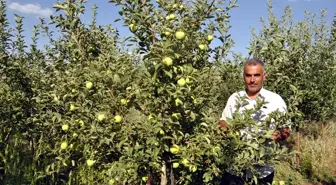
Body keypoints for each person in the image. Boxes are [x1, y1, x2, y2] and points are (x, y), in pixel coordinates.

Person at [218, 59, 291, 185]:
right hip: (234, 168)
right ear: (243, 77)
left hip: (262, 170)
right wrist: (228, 131)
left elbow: (286, 130)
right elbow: (223, 122)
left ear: (264, 76)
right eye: (248, 75)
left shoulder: (276, 100)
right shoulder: (235, 98)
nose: (252, 80)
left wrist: (276, 136)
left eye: (256, 75)